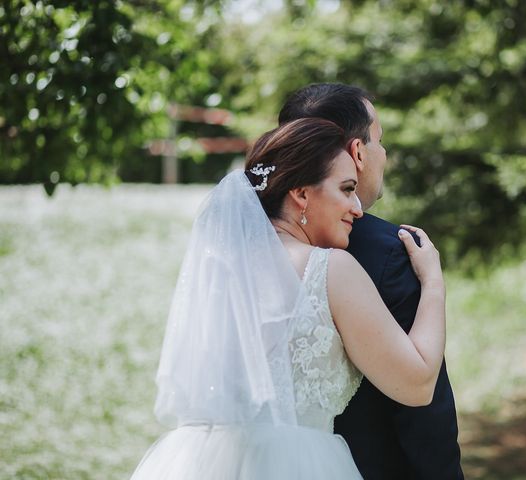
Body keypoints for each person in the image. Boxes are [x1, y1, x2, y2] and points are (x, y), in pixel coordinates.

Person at [130, 117, 447, 479]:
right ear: (301, 194)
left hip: (203, 462)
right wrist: (433, 282)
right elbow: (418, 383)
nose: (358, 208)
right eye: (346, 189)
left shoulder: (224, 270)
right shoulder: (329, 269)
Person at [279, 83, 464, 479]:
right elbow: (422, 413)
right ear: (358, 153)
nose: (384, 154)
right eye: (379, 140)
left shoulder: (237, 252)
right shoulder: (390, 252)